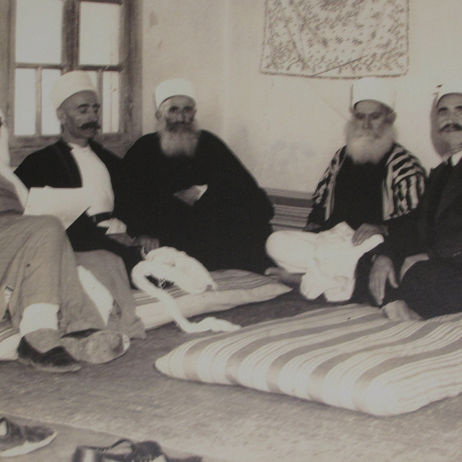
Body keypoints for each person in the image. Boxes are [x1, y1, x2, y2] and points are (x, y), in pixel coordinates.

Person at [0, 109, 145, 373]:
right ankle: (37, 333)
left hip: (21, 240)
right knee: (47, 226)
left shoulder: (7, 174)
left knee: (100, 258)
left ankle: (81, 332)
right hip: (13, 239)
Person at [266, 77, 426, 301]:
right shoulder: (341, 157)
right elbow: (320, 205)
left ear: (390, 119)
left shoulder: (404, 165)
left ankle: (307, 279)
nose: (366, 125)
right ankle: (330, 279)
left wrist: (382, 227)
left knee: (363, 254)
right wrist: (314, 231)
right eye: (360, 117)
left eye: (375, 117)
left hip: (369, 245)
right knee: (276, 242)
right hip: (332, 240)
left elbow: (416, 222)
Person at [117, 78, 274, 273]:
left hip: (213, 226)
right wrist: (142, 232)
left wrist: (203, 192)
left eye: (187, 109)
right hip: (171, 231)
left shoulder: (210, 143)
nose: (181, 117)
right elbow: (128, 200)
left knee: (250, 223)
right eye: (173, 110)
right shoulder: (143, 149)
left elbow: (250, 192)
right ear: (159, 115)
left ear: (194, 113)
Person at [14, 71, 158, 274]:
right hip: (83, 247)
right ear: (61, 116)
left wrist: (142, 234)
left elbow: (134, 204)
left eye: (95, 109)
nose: (92, 117)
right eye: (83, 110)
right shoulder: (39, 164)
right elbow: (41, 224)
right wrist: (108, 240)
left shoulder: (110, 160)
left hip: (123, 238)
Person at [369, 80, 462, 319]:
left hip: (451, 264)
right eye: (443, 111)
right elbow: (417, 222)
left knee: (420, 274)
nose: (450, 118)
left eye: (460, 110)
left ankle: (396, 301)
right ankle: (400, 302)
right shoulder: (442, 171)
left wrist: (431, 255)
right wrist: (386, 253)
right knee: (374, 262)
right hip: (442, 266)